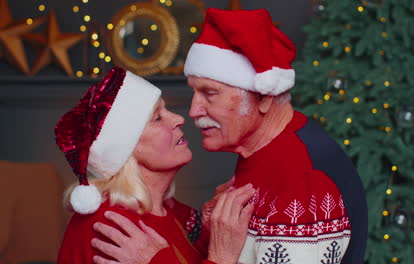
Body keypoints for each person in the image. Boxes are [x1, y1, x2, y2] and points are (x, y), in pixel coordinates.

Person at [93, 8, 368, 264]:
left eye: (209, 93)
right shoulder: (260, 151)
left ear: (262, 96)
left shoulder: (303, 180)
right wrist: (210, 235)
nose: (193, 110)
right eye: (194, 92)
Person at [54, 67, 255, 264]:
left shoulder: (168, 211)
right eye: (157, 118)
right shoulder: (111, 226)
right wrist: (222, 258)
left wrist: (210, 233)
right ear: (128, 148)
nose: (179, 119)